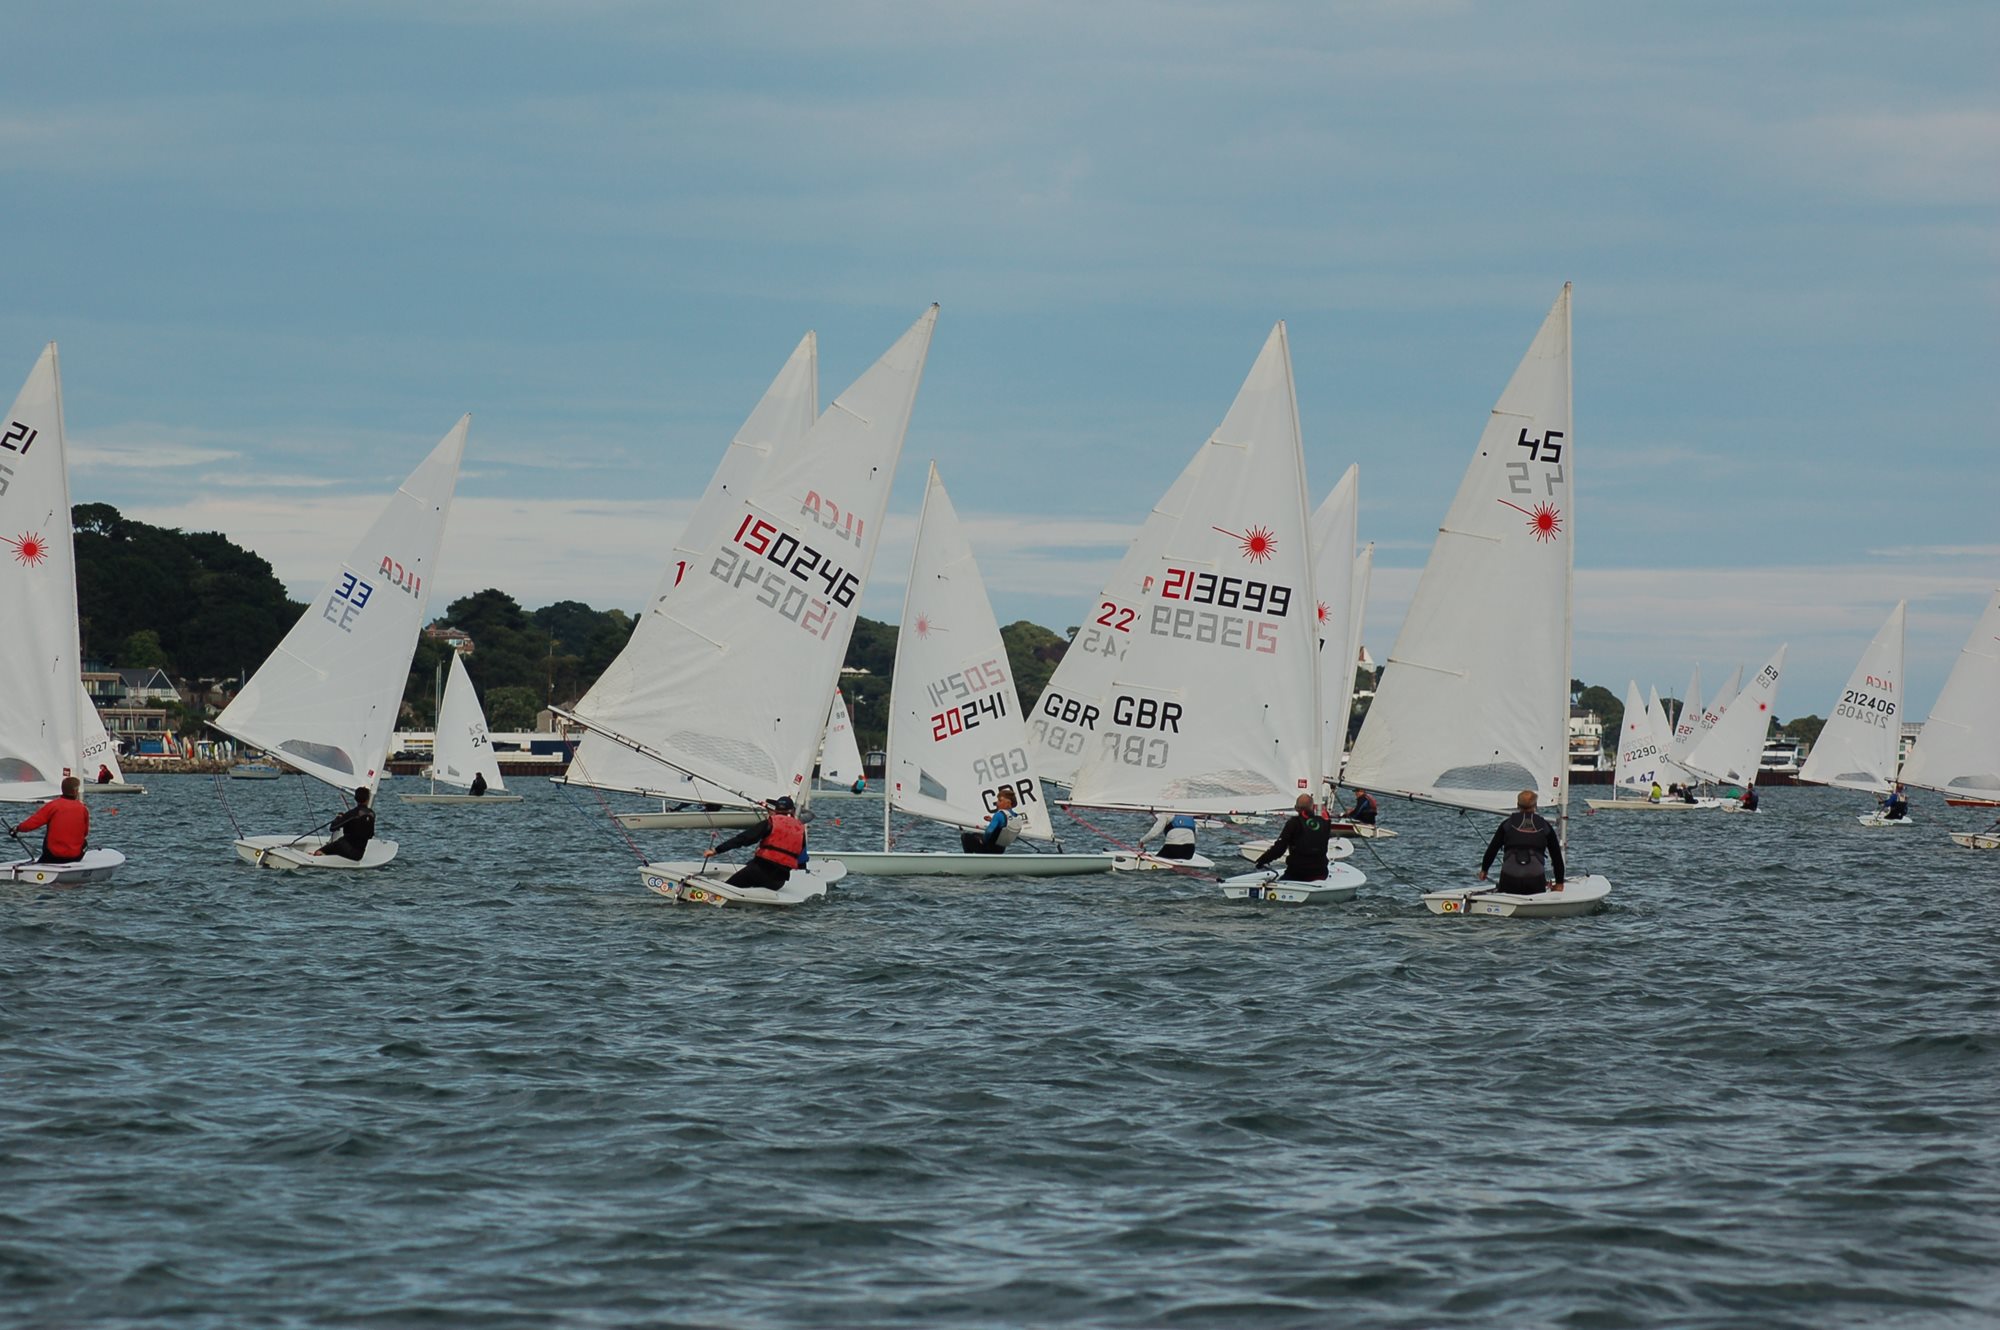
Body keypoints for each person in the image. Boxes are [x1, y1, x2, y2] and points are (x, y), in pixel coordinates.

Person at [705, 795, 808, 890]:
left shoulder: (770, 822)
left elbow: (743, 839)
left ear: (775, 809)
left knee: (727, 887)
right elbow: (801, 858)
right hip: (778, 882)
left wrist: (716, 850)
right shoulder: (800, 829)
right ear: (792, 810)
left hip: (758, 873)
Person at [1479, 789, 1565, 895]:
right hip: (1535, 882)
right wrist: (1559, 883)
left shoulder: (1507, 824)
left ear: (1517, 805)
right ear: (1535, 806)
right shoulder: (1545, 826)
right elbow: (1556, 856)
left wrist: (1484, 870)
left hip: (1509, 881)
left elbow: (1492, 849)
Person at [1253, 793, 1335, 882]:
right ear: (1313, 807)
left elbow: (1279, 849)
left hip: (1297, 874)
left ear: (1296, 808)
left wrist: (1262, 861)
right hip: (1321, 873)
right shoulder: (1325, 823)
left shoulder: (1293, 823)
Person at [14, 776, 89, 863]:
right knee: (85, 843)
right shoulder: (83, 808)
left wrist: (17, 828)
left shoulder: (53, 806)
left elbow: (33, 822)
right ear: (75, 791)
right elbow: (85, 832)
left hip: (52, 856)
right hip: (75, 857)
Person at [314, 787, 376, 861]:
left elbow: (332, 828)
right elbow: (370, 835)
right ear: (368, 799)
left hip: (345, 849)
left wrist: (338, 818)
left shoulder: (352, 813)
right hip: (359, 855)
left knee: (318, 852)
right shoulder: (372, 814)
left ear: (355, 799)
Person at [962, 787, 1025, 854]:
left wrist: (983, 841)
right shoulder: (1017, 817)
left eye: (1000, 801)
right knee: (975, 835)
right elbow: (1005, 825)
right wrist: (992, 820)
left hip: (988, 850)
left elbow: (989, 832)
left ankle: (968, 858)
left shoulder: (998, 815)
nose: (997, 803)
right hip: (1000, 850)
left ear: (1008, 803)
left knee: (965, 836)